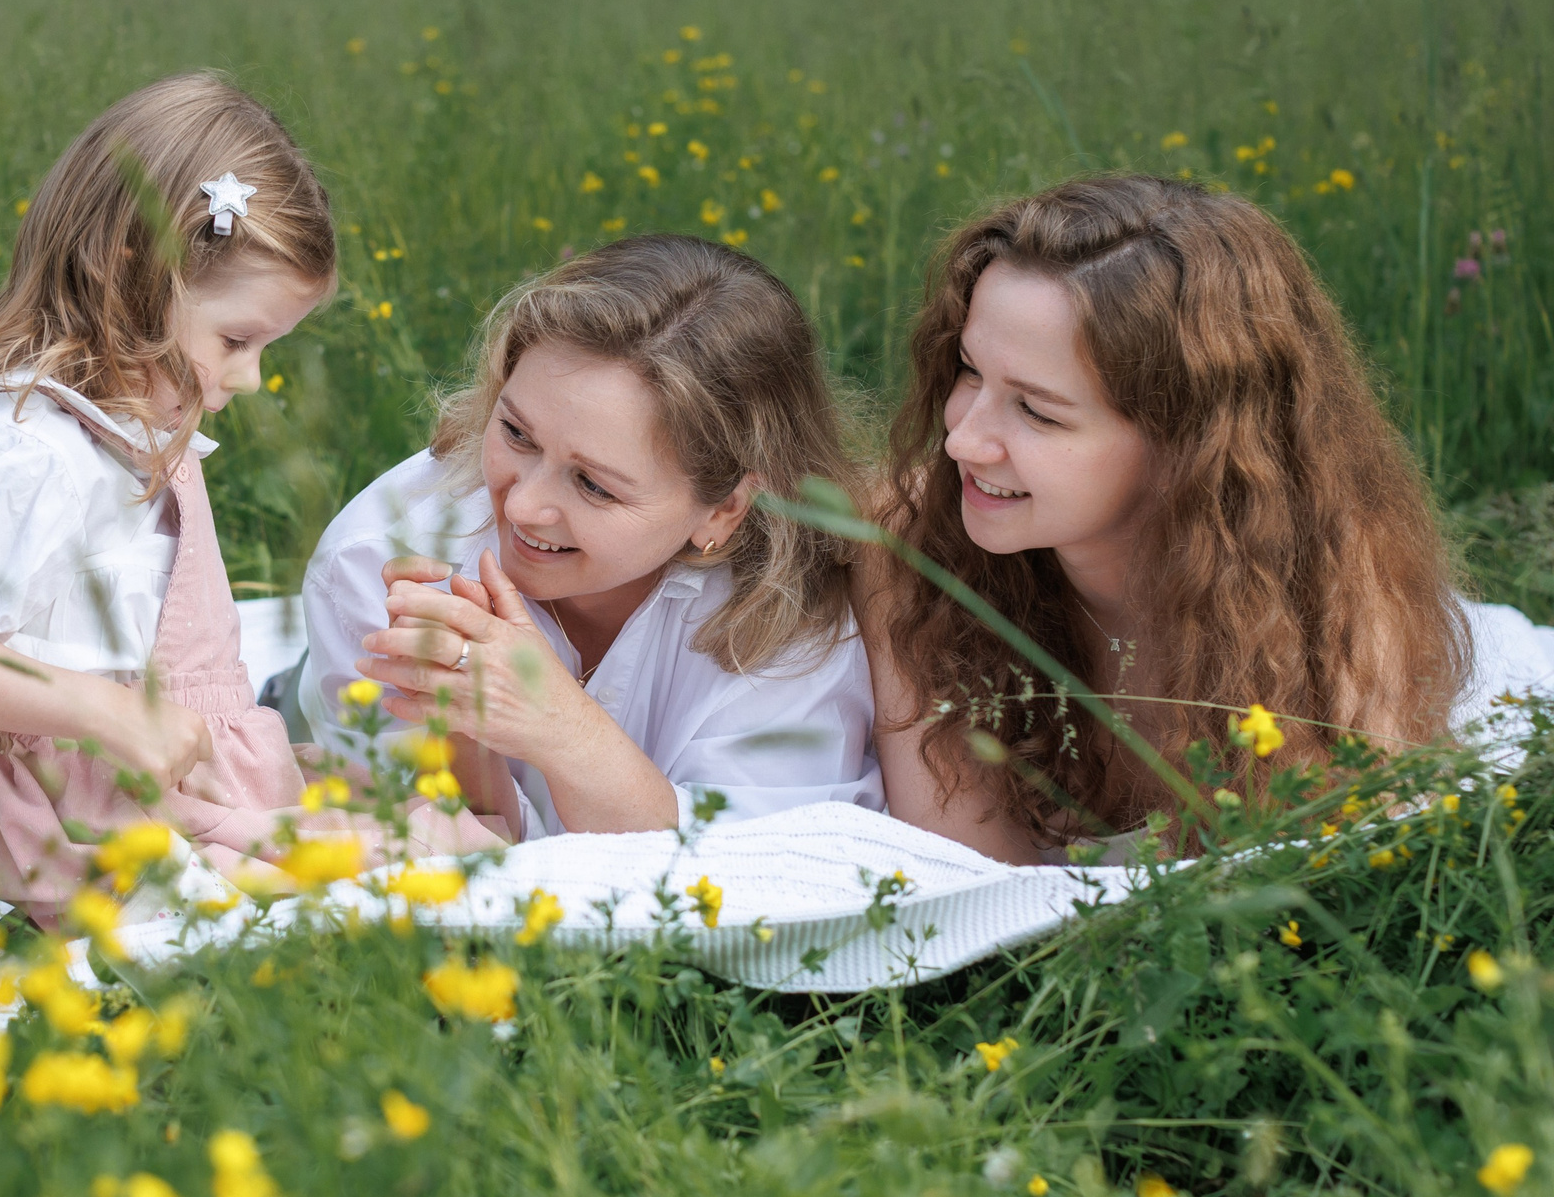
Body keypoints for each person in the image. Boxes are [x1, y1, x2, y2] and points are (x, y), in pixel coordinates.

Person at [0, 72, 492, 923]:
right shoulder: (31, 448)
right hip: (98, 807)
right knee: (414, 862)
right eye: (238, 339)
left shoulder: (126, 421)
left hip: (171, 762)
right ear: (131, 273)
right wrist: (109, 713)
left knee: (444, 831)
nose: (252, 377)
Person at [862, 174, 1472, 862]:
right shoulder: (910, 538)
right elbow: (968, 874)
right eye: (969, 372)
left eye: (1036, 410)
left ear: (1189, 446)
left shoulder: (1325, 604)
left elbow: (1330, 886)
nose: (962, 441)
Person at [301, 233, 883, 839]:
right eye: (517, 434)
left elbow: (754, 883)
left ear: (724, 508)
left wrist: (562, 728)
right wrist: (465, 743)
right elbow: (424, 860)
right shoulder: (377, 556)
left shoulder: (786, 610)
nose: (522, 506)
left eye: (594, 486)